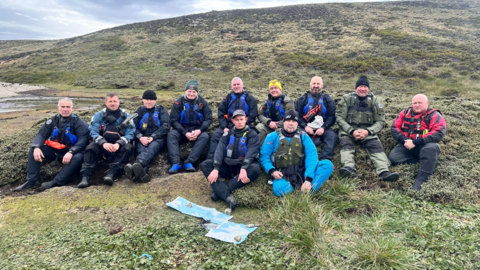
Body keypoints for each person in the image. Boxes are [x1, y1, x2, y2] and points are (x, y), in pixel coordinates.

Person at [15, 97, 89, 191]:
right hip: (56, 151)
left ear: (72, 108)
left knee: (78, 157)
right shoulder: (53, 121)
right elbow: (41, 134)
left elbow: (83, 140)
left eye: (68, 107)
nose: (65, 109)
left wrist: (71, 151)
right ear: (58, 107)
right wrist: (37, 147)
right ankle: (32, 180)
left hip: (72, 152)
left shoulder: (79, 123)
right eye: (63, 107)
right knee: (34, 150)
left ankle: (57, 181)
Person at [336, 75, 399, 181]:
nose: (363, 89)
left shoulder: (374, 101)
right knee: (346, 144)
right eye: (360, 86)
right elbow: (339, 118)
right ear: (356, 88)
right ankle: (348, 168)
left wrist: (368, 131)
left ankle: (384, 172)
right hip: (349, 131)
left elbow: (381, 121)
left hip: (368, 132)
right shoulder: (346, 99)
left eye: (365, 86)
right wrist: (351, 131)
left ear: (368, 88)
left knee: (376, 147)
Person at [259, 110, 334, 196]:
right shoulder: (272, 137)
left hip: (302, 170)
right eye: (288, 121)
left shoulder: (303, 136)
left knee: (327, 165)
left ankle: (309, 189)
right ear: (283, 122)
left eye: (294, 121)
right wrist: (272, 171)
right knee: (279, 191)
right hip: (283, 172)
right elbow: (264, 157)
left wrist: (308, 179)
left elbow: (311, 156)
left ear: (297, 123)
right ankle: (300, 188)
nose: (291, 123)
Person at [200, 110, 261, 212]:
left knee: (255, 169)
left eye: (241, 119)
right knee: (206, 164)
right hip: (228, 166)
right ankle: (227, 196)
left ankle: (219, 192)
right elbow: (219, 150)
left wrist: (244, 168)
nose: (239, 122)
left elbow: (252, 152)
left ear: (246, 120)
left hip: (243, 168)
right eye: (236, 120)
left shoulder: (252, 134)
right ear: (233, 121)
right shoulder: (227, 134)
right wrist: (216, 168)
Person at [389, 94, 446, 190]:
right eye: (414, 103)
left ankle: (421, 181)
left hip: (424, 145)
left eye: (420, 103)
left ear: (427, 103)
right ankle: (428, 162)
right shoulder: (405, 112)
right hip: (406, 144)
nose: (417, 105)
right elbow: (394, 128)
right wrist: (404, 141)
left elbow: (438, 132)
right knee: (394, 158)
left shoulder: (434, 115)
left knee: (431, 148)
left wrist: (415, 142)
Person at [78, 93, 135, 188]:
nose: (113, 103)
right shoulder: (99, 115)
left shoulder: (126, 116)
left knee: (128, 147)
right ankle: (86, 177)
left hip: (119, 146)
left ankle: (111, 174)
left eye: (115, 101)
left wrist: (118, 143)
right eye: (110, 101)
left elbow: (131, 132)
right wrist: (103, 143)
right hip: (102, 146)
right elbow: (93, 131)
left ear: (119, 102)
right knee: (91, 147)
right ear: (106, 103)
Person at [124, 90, 170, 183]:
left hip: (158, 139)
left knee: (151, 149)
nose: (149, 101)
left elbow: (166, 126)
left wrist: (153, 137)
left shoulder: (161, 109)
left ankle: (137, 166)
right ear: (143, 100)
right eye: (146, 99)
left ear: (155, 100)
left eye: (151, 100)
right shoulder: (139, 111)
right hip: (141, 138)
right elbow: (133, 127)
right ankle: (143, 176)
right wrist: (140, 137)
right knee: (142, 151)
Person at [206, 77, 258, 159]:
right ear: (231, 86)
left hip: (244, 126)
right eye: (234, 85)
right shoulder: (228, 98)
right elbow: (221, 113)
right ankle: (210, 160)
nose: (236, 86)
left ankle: (253, 160)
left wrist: (243, 125)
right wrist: (224, 127)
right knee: (216, 135)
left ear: (242, 85)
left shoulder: (249, 98)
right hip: (229, 125)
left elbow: (253, 114)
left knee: (254, 136)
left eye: (238, 84)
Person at [167, 80, 212, 174]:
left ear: (197, 92)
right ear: (185, 91)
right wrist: (185, 133)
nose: (191, 94)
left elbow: (208, 119)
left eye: (194, 92)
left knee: (205, 137)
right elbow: (173, 120)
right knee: (171, 135)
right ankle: (176, 163)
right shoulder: (178, 103)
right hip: (182, 130)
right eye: (189, 91)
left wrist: (200, 131)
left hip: (197, 129)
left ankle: (189, 162)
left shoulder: (203, 102)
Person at [295, 76, 337, 160]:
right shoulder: (302, 99)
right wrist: (305, 126)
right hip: (305, 128)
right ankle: (300, 157)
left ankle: (325, 159)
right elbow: (297, 116)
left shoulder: (328, 99)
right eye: (314, 83)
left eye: (318, 84)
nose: (316, 85)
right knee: (297, 136)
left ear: (322, 85)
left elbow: (331, 117)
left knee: (332, 136)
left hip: (323, 128)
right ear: (310, 85)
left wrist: (323, 128)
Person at [255, 79, 294, 146]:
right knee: (259, 127)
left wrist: (278, 125)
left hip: (283, 127)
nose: (273, 90)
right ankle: (261, 150)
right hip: (268, 125)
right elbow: (260, 115)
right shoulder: (266, 101)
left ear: (280, 89)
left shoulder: (287, 101)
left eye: (276, 88)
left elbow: (291, 116)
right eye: (271, 88)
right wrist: (269, 122)